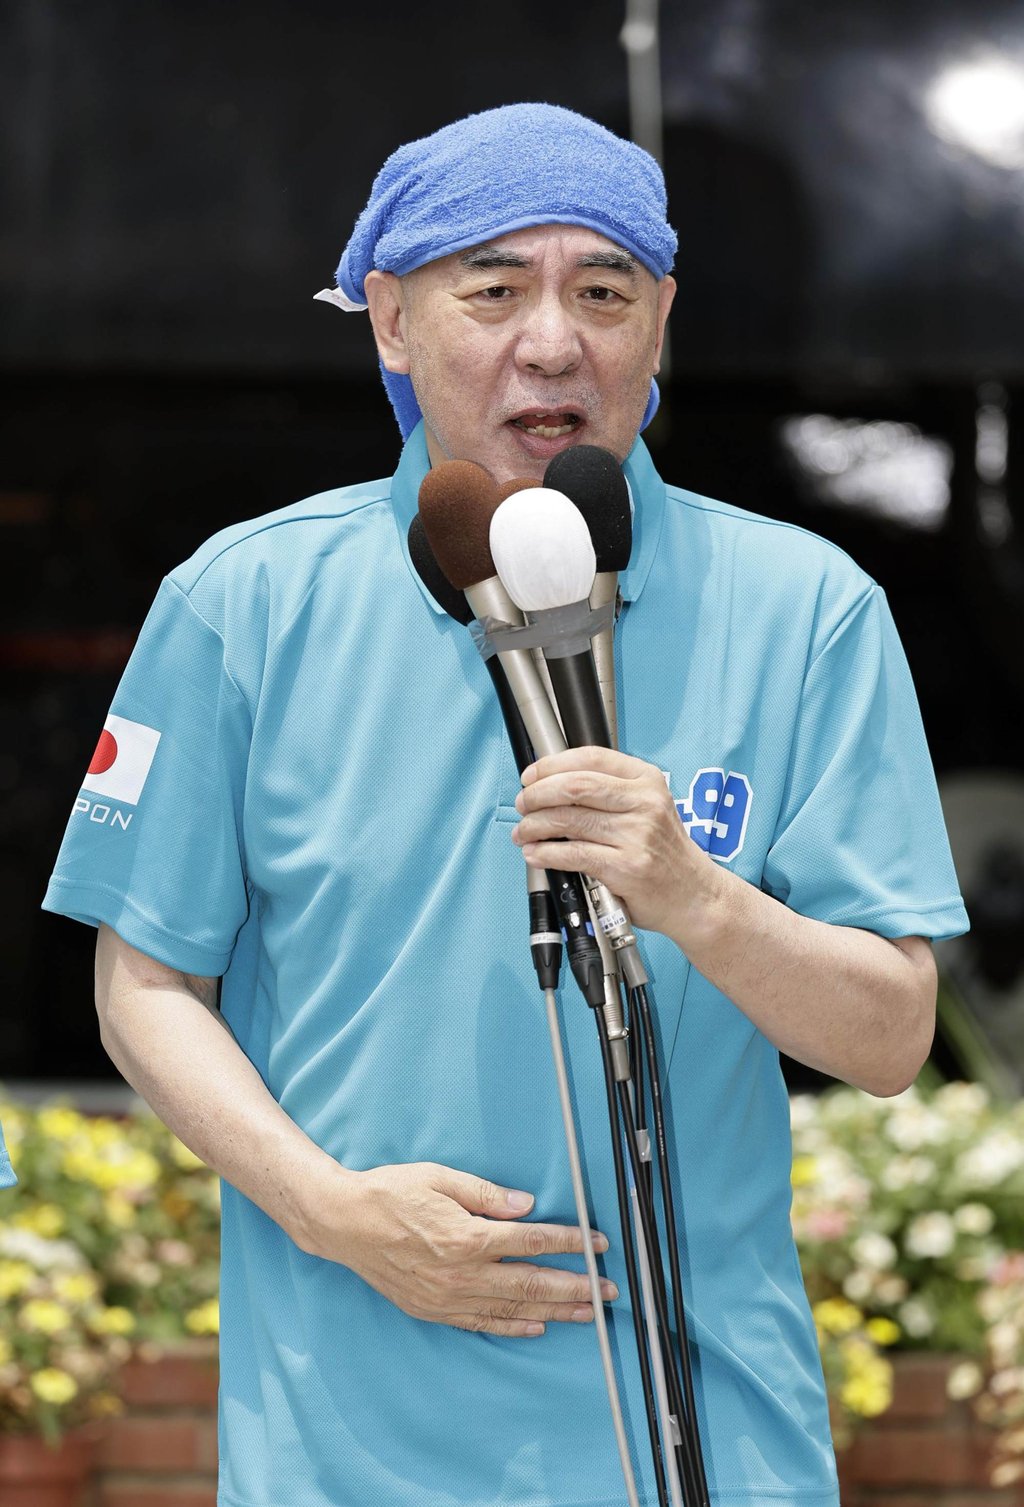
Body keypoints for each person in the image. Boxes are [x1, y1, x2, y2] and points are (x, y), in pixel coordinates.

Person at [44, 103, 968, 1507]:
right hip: (343, 1453)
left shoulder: (806, 609)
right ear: (390, 321)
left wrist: (696, 897)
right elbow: (146, 984)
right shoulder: (243, 602)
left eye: (603, 292)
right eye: (492, 291)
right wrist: (332, 1212)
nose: (553, 342)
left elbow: (892, 1037)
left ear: (660, 323)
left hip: (710, 1446)